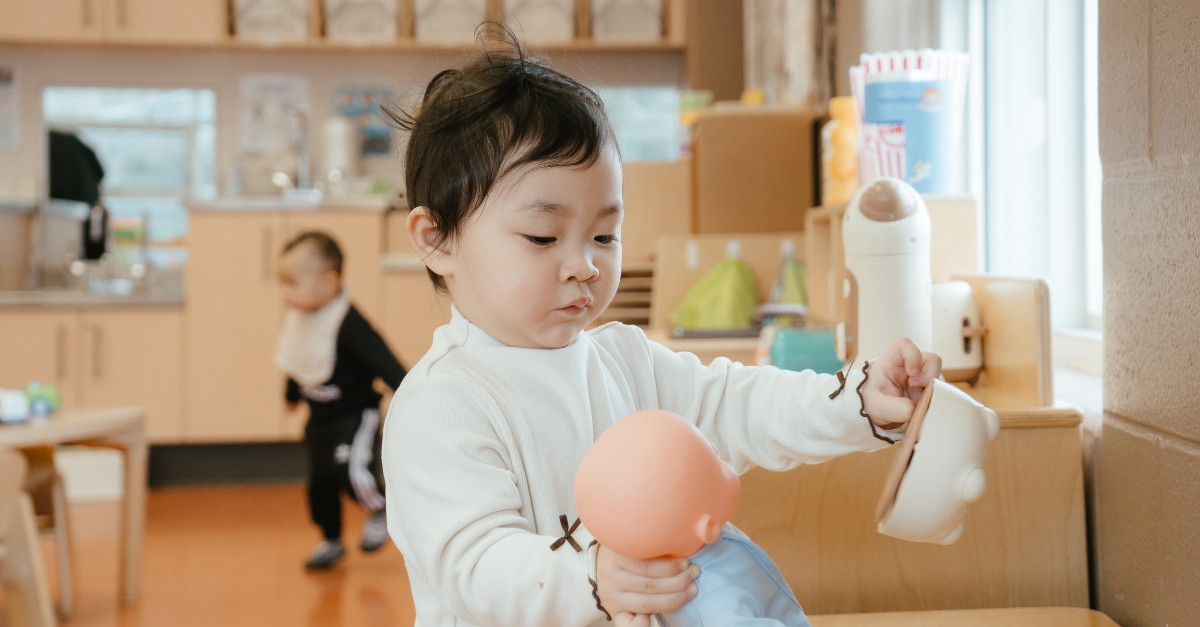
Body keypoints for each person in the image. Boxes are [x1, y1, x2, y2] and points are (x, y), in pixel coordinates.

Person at [382, 27, 941, 627]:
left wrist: (857, 400)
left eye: (605, 235)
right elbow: (475, 568)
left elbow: (736, 404)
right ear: (437, 240)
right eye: (543, 238)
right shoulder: (441, 402)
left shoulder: (625, 359)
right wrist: (591, 577)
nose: (584, 265)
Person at [275, 231, 406, 570]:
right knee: (320, 482)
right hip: (319, 419)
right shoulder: (301, 319)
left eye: (292, 283)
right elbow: (298, 361)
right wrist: (291, 394)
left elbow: (385, 362)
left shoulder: (349, 323)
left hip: (356, 415)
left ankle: (381, 508)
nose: (284, 293)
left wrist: (407, 396)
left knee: (351, 472)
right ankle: (331, 539)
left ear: (329, 282)